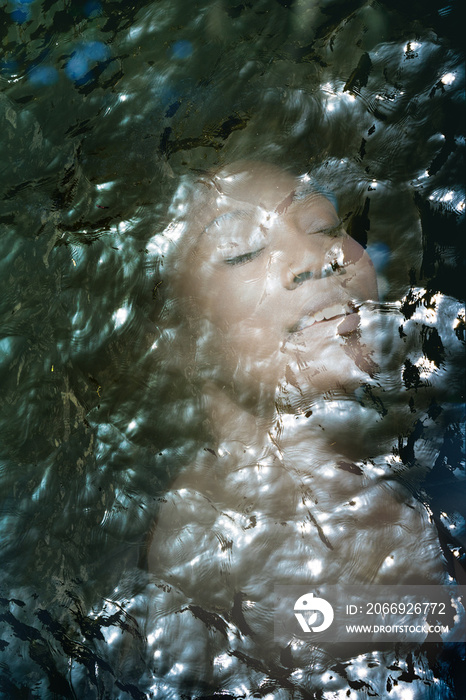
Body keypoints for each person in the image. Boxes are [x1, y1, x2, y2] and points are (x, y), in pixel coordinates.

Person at [142, 161, 446, 695]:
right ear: (180, 343)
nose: (313, 259)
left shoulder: (388, 436)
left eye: (324, 225)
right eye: (243, 252)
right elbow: (311, 624)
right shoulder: (215, 521)